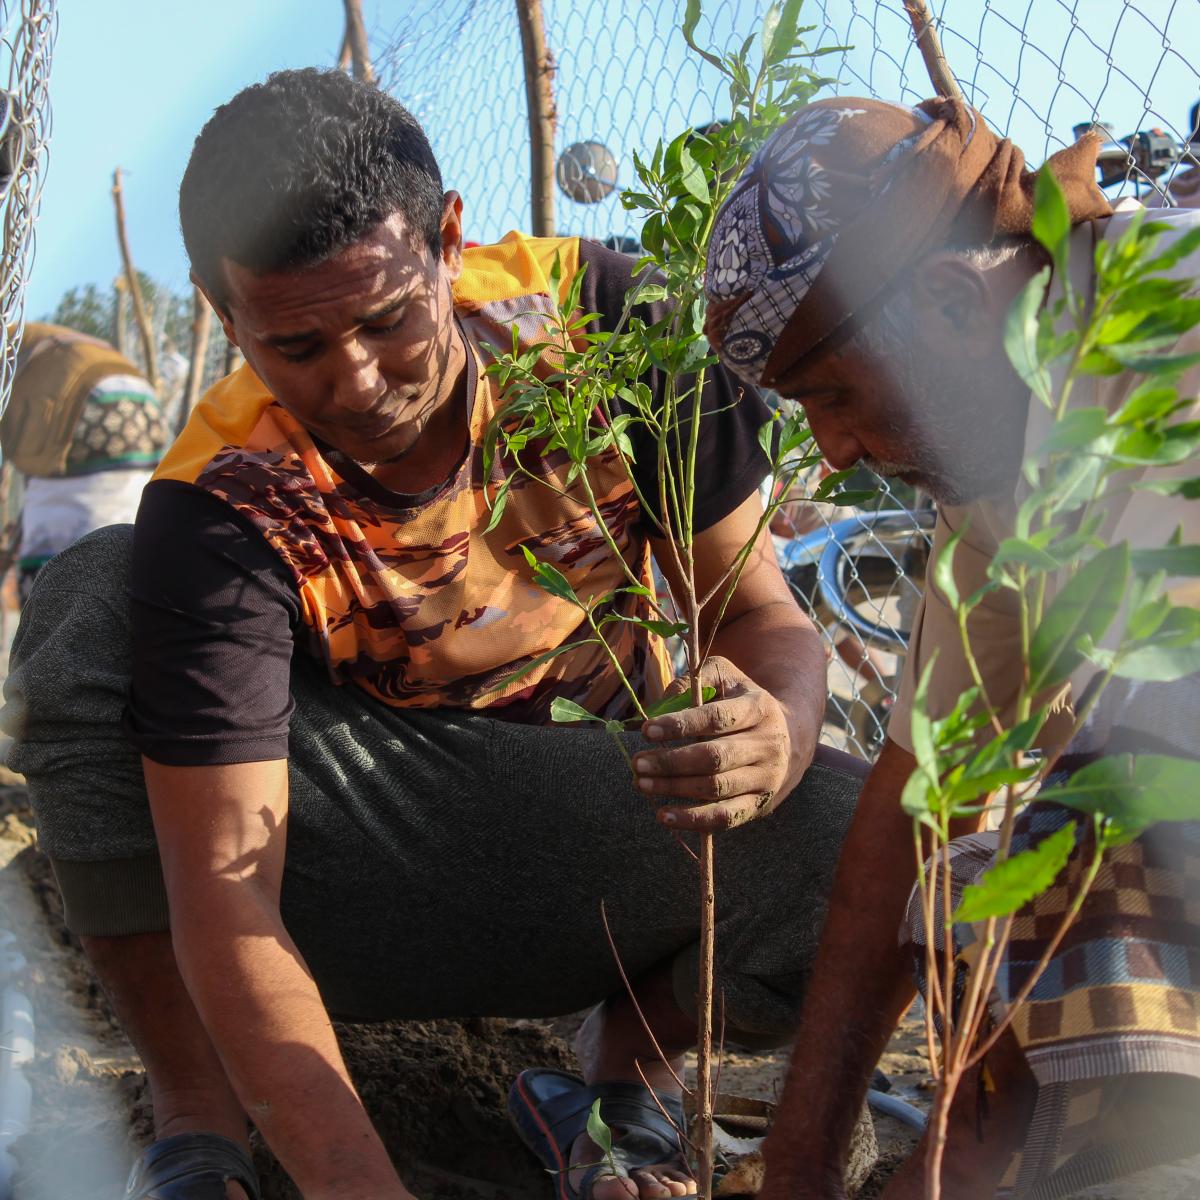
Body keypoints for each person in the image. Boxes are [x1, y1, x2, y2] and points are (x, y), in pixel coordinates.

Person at [1, 69, 862, 1200]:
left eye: (387, 319)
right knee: (90, 602)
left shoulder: (610, 324)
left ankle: (616, 1082)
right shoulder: (225, 495)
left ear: (449, 241)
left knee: (863, 835)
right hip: (355, 862)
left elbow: (759, 615)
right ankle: (196, 1118)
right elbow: (224, 884)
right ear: (223, 312)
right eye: (296, 346)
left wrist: (780, 727)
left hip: (602, 817)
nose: (356, 382)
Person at [705, 96, 1200, 1199]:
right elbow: (917, 795)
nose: (831, 454)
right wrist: (800, 1163)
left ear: (949, 305)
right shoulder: (1002, 471)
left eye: (833, 397)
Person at [0, 322, 168, 602]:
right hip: (138, 398)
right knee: (115, 534)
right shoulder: (27, 333)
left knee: (56, 560)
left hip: (76, 401)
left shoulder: (21, 347)